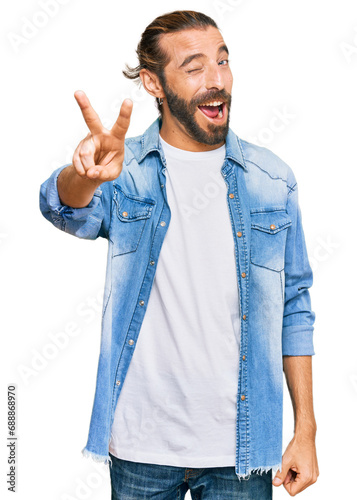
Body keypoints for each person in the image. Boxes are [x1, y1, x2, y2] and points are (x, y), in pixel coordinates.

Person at [39, 10, 319, 499]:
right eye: (194, 68)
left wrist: (306, 431)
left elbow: (295, 306)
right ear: (154, 83)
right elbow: (62, 208)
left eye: (223, 61)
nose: (217, 81)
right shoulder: (126, 172)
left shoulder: (271, 179)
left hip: (243, 451)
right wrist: (83, 174)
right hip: (141, 445)